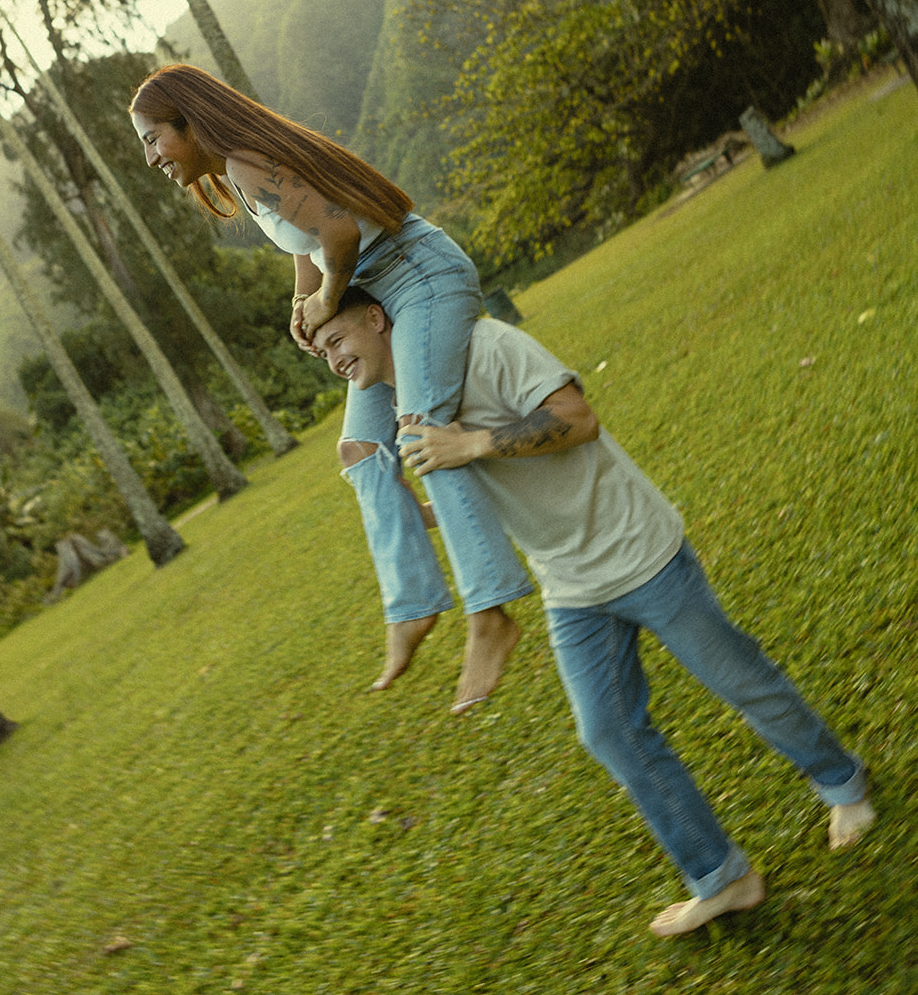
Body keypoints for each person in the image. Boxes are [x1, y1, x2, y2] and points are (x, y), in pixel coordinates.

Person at [312, 289, 876, 937]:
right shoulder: (405, 408)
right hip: (569, 586)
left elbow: (576, 419)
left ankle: (842, 783)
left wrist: (471, 444)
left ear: (377, 319)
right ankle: (722, 878)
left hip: (638, 552)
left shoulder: (486, 345)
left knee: (739, 680)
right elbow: (468, 490)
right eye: (322, 351)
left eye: (336, 342)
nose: (332, 361)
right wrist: (421, 510)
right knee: (606, 729)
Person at [129, 64, 533, 709]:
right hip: (382, 285)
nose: (151, 157)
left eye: (153, 138)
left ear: (188, 121)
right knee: (362, 448)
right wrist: (302, 300)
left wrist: (329, 299)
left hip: (419, 275)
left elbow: (342, 232)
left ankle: (490, 614)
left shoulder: (245, 163)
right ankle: (412, 605)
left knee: (423, 435)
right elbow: (309, 236)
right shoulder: (242, 167)